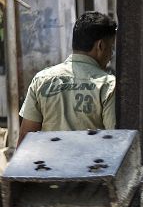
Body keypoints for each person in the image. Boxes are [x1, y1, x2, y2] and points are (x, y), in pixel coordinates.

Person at [18, 11, 117, 145]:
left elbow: (25, 142)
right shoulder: (108, 85)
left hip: (49, 159)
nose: (110, 56)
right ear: (101, 46)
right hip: (91, 159)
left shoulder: (41, 80)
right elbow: (115, 141)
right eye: (111, 48)